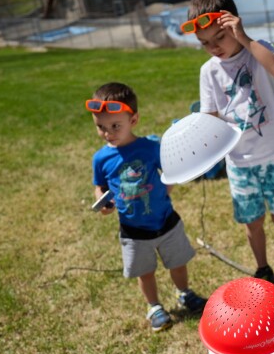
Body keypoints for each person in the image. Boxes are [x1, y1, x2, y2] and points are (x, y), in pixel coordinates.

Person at [185, 0, 274, 291]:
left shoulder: (258, 49)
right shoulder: (208, 71)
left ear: (232, 25)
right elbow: (210, 116)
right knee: (252, 223)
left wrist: (244, 37)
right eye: (204, 43)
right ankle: (262, 268)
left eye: (219, 38)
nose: (213, 48)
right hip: (239, 163)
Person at [88, 82, 208, 332]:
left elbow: (171, 171)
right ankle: (153, 306)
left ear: (134, 120)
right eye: (101, 127)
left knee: (177, 262)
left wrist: (166, 189)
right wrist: (103, 201)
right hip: (133, 230)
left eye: (115, 126)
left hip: (165, 221)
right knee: (145, 271)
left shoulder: (151, 148)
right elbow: (99, 185)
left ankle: (184, 293)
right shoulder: (101, 158)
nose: (108, 133)